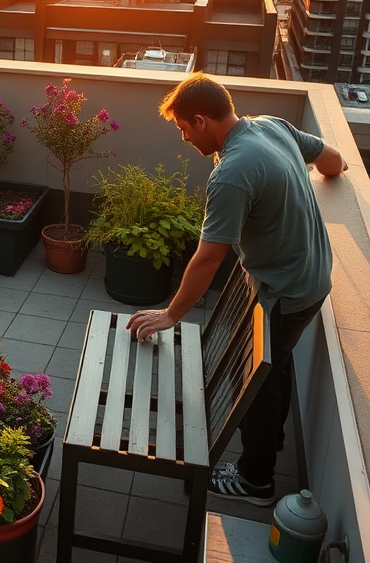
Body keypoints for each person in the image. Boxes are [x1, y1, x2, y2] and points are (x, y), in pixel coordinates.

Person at [126, 73, 346, 506]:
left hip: (288, 289)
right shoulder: (271, 125)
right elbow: (332, 159)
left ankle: (256, 480)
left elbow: (209, 258)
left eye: (184, 128)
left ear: (203, 119)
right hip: (315, 273)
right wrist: (330, 174)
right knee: (271, 370)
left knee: (263, 379)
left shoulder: (231, 173)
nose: (184, 138)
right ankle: (263, 456)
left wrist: (171, 315)